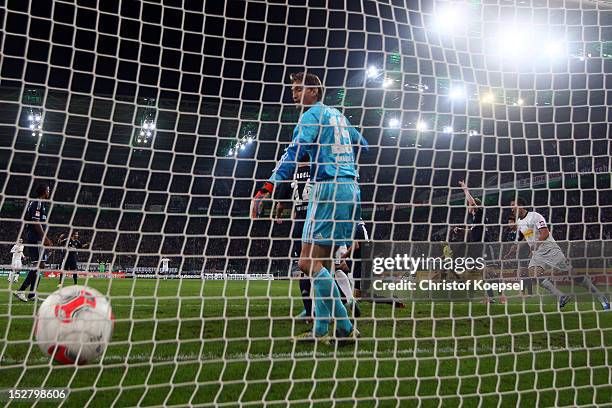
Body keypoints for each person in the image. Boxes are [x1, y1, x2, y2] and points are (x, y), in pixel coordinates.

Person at [252, 71, 367, 342]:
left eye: (299, 88)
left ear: (315, 91)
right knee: (324, 262)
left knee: (307, 262)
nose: (294, 93)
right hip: (350, 187)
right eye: (292, 89)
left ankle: (345, 327)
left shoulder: (311, 116)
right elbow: (362, 142)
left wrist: (267, 187)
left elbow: (295, 151)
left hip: (327, 187)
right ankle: (320, 329)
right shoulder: (338, 115)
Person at [506, 197, 609, 310]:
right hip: (538, 253)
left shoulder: (535, 216)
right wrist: (517, 247)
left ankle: (601, 296)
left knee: (573, 274)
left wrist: (536, 244)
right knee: (533, 274)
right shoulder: (520, 222)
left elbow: (545, 233)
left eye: (513, 205)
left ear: (521, 205)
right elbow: (528, 237)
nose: (512, 209)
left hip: (550, 249)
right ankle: (561, 296)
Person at [456, 180, 504, 303]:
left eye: (469, 204)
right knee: (484, 274)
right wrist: (460, 230)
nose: (468, 206)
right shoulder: (474, 220)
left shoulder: (479, 213)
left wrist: (465, 189)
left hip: (484, 246)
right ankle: (491, 298)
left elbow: (472, 201)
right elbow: (472, 231)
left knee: (490, 272)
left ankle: (501, 294)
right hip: (477, 247)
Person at [14, 184, 52, 302]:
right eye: (48, 190)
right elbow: (36, 222)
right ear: (44, 192)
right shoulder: (37, 202)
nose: (49, 192)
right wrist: (44, 238)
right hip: (36, 238)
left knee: (40, 266)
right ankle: (21, 291)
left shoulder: (37, 203)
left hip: (35, 237)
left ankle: (32, 294)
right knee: (39, 266)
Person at [502, 214, 533, 296]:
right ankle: (527, 293)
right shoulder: (510, 233)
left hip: (525, 253)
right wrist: (508, 254)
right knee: (523, 274)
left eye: (511, 222)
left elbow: (530, 238)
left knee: (522, 274)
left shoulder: (522, 228)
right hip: (519, 255)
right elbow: (514, 247)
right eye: (509, 222)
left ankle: (525, 292)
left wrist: (531, 252)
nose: (510, 224)